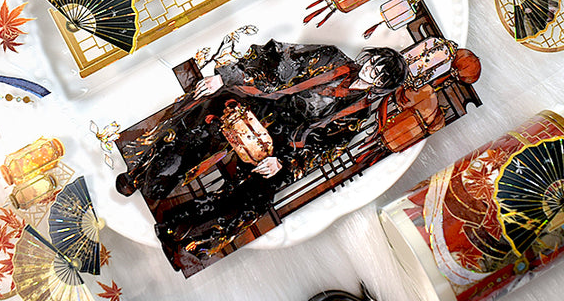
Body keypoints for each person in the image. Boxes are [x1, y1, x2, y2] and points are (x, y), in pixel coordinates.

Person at [116, 39, 408, 262]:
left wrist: (282, 164)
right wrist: (227, 77)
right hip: (260, 103)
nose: (370, 70)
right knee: (199, 126)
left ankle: (176, 226)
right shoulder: (330, 57)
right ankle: (141, 174)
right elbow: (276, 58)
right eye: (374, 62)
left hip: (284, 144)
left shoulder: (358, 112)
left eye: (379, 74)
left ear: (382, 85)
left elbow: (324, 149)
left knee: (256, 197)